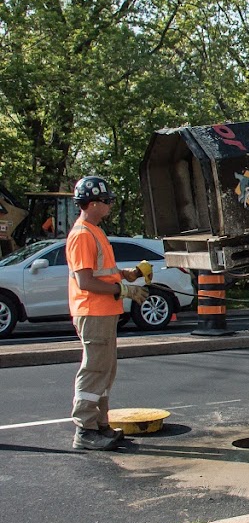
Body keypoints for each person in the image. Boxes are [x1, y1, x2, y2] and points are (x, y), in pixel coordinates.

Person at [66, 175, 150, 452]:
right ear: (91, 203)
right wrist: (124, 291)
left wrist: (131, 274)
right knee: (94, 369)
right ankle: (85, 429)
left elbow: (104, 272)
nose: (110, 205)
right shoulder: (82, 234)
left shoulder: (95, 231)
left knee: (105, 371)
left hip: (103, 312)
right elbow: (85, 281)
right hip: (93, 311)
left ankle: (100, 424)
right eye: (107, 201)